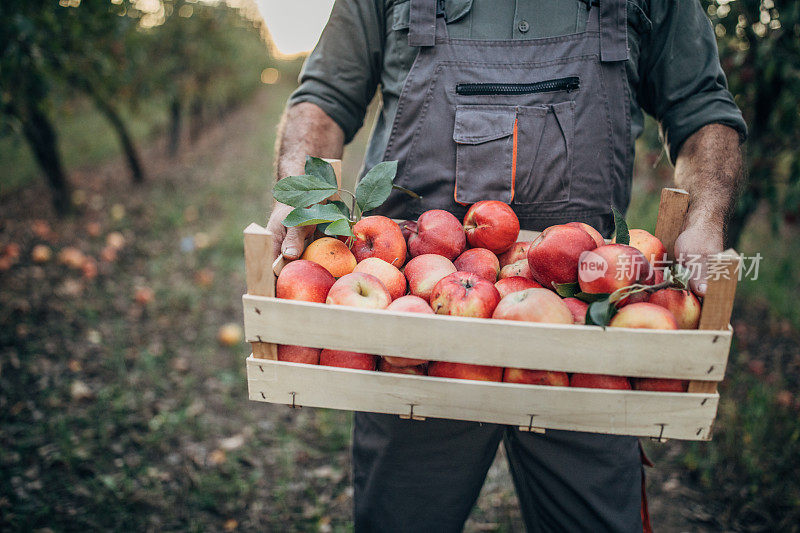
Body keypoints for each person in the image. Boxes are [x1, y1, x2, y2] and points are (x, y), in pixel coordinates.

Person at [267, 0, 746, 530]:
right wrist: (298, 195)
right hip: (416, 329)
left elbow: (701, 108)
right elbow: (324, 97)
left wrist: (705, 219)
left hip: (587, 331)